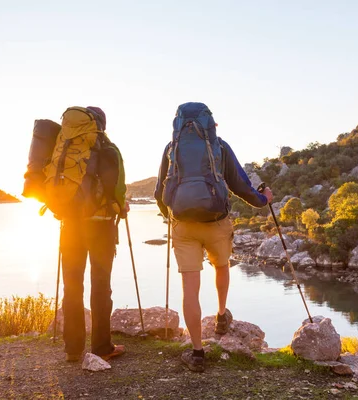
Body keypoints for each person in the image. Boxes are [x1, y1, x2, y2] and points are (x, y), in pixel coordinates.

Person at [154, 102, 273, 372]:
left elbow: (159, 192)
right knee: (221, 266)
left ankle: (197, 352)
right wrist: (263, 199)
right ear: (211, 124)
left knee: (190, 289)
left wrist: (171, 216)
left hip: (183, 226)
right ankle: (221, 315)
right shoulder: (219, 146)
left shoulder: (171, 148)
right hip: (217, 222)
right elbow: (241, 185)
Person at [59, 106, 129, 362]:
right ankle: (102, 347)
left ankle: (73, 349)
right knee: (101, 286)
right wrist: (121, 205)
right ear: (102, 125)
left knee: (72, 285)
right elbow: (118, 189)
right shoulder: (109, 150)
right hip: (101, 226)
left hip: (71, 226)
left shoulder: (66, 147)